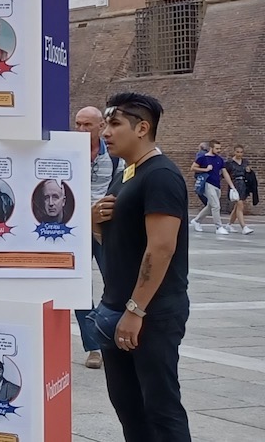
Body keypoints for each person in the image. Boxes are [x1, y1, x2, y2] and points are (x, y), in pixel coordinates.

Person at [90, 91, 191, 442]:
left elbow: (161, 248)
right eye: (105, 124)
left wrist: (136, 310)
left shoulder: (161, 175)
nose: (106, 132)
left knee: (161, 409)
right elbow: (122, 244)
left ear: (142, 128)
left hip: (151, 313)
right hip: (117, 308)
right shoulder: (129, 173)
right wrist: (94, 223)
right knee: (129, 409)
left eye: (114, 124)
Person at [73, 105, 119, 369]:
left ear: (101, 126)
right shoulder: (65, 151)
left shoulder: (114, 155)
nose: (80, 130)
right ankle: (93, 348)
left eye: (87, 125)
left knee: (115, 281)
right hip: (74, 229)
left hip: (103, 227)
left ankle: (113, 336)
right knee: (79, 288)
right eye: (78, 124)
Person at [191, 141, 227, 234]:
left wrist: (231, 185)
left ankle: (196, 220)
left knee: (210, 206)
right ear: (211, 148)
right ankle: (219, 227)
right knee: (216, 206)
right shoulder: (203, 158)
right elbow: (193, 168)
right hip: (208, 183)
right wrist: (205, 169)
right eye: (217, 148)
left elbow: (224, 172)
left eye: (220, 148)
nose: (219, 150)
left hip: (217, 185)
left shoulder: (220, 159)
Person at [225, 145, 253, 235]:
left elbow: (248, 173)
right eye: (238, 152)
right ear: (234, 152)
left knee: (237, 206)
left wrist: (249, 171)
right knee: (240, 205)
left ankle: (229, 224)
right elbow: (225, 175)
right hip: (235, 184)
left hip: (243, 184)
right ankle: (243, 227)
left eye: (241, 152)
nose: (239, 154)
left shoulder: (245, 162)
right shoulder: (229, 163)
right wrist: (231, 186)